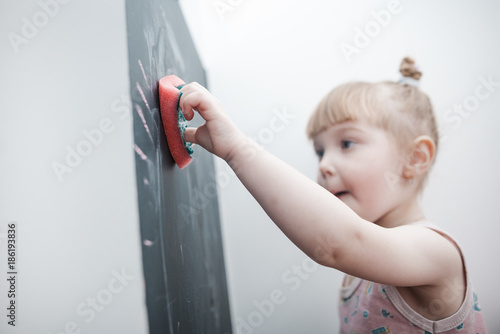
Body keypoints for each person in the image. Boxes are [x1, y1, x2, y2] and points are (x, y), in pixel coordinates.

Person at [178, 57, 488, 333]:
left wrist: (236, 150)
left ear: (415, 158)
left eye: (347, 144)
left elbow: (341, 243)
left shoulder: (436, 252)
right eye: (319, 151)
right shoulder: (360, 274)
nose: (324, 165)